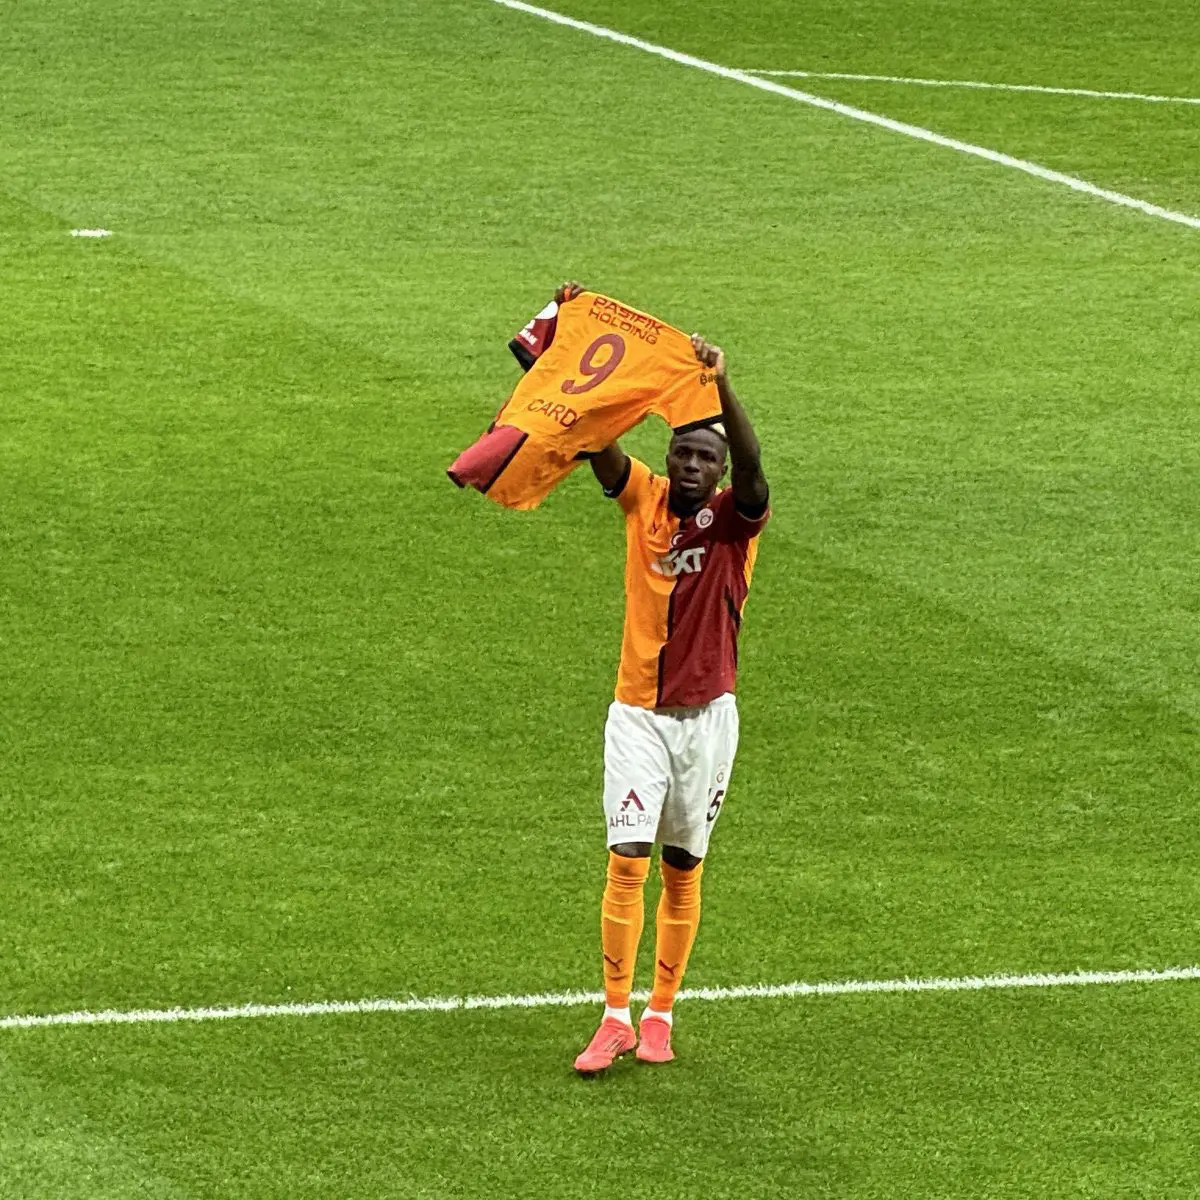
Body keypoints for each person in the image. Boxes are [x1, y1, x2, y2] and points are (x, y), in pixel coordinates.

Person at [564, 281, 771, 1074]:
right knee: (626, 859)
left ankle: (660, 1013)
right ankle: (614, 1015)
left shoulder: (734, 520)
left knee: (683, 869)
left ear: (718, 470)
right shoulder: (642, 498)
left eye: (703, 457)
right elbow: (597, 443)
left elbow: (755, 467)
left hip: (707, 721)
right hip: (637, 715)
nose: (688, 465)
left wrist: (720, 385)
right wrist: (571, 356)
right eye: (682, 452)